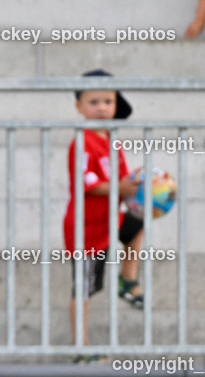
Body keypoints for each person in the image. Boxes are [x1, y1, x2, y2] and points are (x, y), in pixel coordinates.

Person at [63, 69, 145, 359]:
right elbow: (86, 182)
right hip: (86, 228)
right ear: (80, 107)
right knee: (85, 289)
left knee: (136, 225)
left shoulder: (113, 140)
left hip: (111, 221)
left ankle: (128, 280)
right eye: (94, 102)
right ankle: (80, 350)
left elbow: (123, 181)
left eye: (107, 102)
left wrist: (141, 185)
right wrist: (119, 186)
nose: (101, 108)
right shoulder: (82, 141)